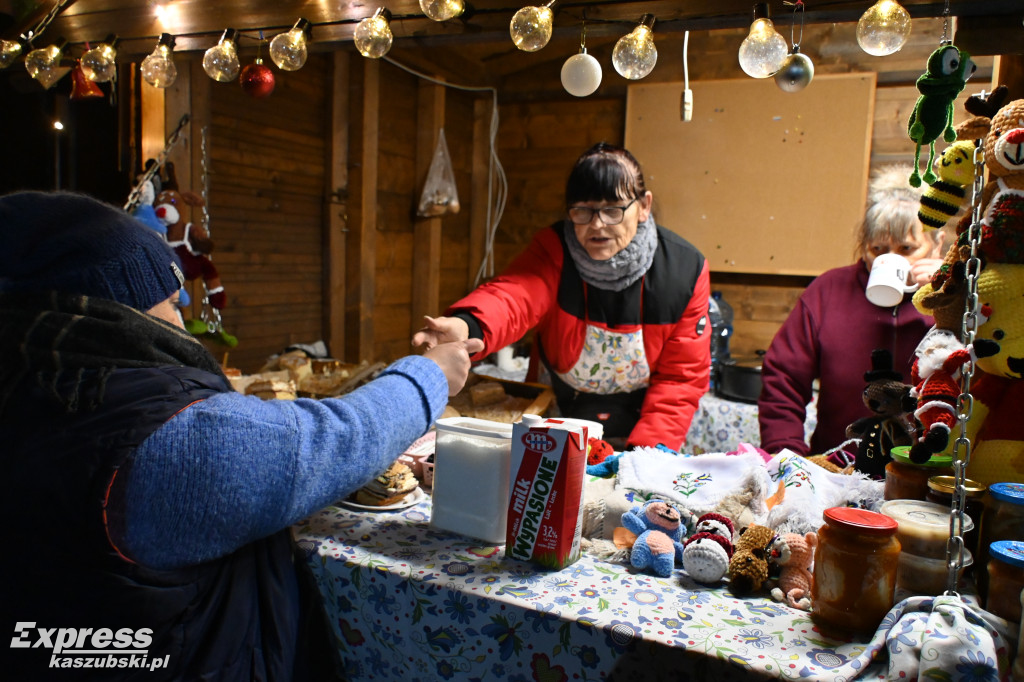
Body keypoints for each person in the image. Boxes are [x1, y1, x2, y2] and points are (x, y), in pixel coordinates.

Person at [0, 191, 482, 681]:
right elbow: (332, 440)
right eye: (169, 300)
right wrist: (429, 376)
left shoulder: (31, 388)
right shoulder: (161, 438)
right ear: (117, 309)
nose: (183, 311)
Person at [412, 142, 711, 450]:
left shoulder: (684, 272)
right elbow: (513, 297)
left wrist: (644, 458)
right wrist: (467, 326)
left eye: (612, 210)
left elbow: (680, 381)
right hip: (556, 423)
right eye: (583, 210)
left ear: (644, 206)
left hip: (642, 427)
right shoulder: (554, 250)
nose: (597, 224)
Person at [758, 164, 946, 457]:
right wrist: (787, 455)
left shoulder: (952, 297)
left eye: (907, 249)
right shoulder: (828, 290)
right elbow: (783, 379)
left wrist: (950, 290)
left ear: (937, 245)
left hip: (928, 466)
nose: (890, 259)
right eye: (878, 249)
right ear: (863, 246)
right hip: (837, 464)